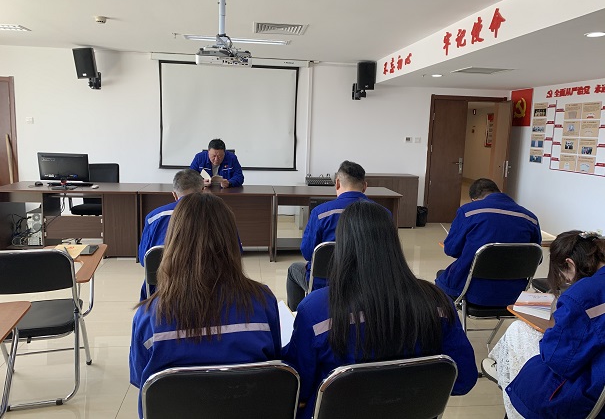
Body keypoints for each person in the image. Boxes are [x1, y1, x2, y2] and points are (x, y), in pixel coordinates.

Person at [282, 201, 477, 419]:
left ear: (342, 247)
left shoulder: (316, 310)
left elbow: (297, 387)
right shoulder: (437, 303)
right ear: (393, 243)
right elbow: (463, 379)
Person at [129, 193, 281, 419]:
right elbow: (274, 362)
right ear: (231, 240)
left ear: (174, 242)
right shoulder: (263, 301)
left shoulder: (149, 315)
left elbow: (140, 380)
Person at [486, 230, 605, 419]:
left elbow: (557, 360)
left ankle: (503, 372)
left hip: (588, 394)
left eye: (564, 275)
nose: (567, 281)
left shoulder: (583, 295)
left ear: (570, 264)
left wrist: (552, 333)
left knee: (518, 330)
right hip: (598, 374)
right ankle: (501, 368)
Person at [435, 178, 541, 306]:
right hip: (514, 293)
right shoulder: (530, 218)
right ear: (499, 191)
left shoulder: (468, 212)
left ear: (474, 199)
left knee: (442, 279)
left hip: (470, 290)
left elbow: (451, 250)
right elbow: (536, 258)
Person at [286, 160, 375, 311]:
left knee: (293, 269)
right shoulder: (383, 214)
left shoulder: (321, 213)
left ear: (337, 183)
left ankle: (299, 315)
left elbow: (307, 253)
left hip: (325, 285)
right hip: (368, 283)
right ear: (365, 186)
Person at [137, 169, 204, 299]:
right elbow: (235, 253)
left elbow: (145, 259)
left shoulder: (154, 217)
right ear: (203, 190)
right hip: (209, 289)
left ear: (174, 194)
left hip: (163, 292)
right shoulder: (220, 215)